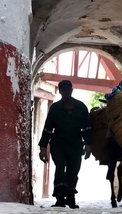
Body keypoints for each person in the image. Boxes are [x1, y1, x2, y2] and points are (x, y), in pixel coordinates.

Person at [38, 80, 93, 208]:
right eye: (63, 90)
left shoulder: (81, 107)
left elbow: (87, 128)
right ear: (60, 91)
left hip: (76, 145)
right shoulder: (55, 108)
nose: (66, 92)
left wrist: (89, 145)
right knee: (60, 169)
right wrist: (43, 148)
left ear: (72, 90)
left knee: (73, 171)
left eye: (68, 89)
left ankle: (71, 198)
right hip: (58, 145)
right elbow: (47, 128)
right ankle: (60, 200)